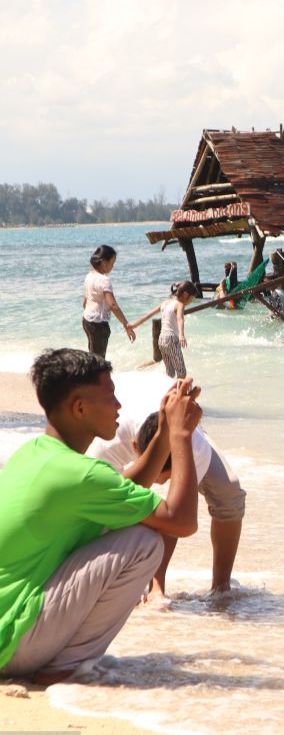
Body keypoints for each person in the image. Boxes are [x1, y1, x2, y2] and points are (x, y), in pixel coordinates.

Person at [0, 349, 201, 685]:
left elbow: (121, 492)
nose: (119, 406)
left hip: (7, 626)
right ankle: (65, 665)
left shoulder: (36, 453)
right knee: (145, 541)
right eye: (110, 397)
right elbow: (182, 521)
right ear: (80, 408)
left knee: (124, 520)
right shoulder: (81, 476)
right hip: (13, 644)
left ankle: (57, 655)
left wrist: (164, 433)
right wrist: (182, 436)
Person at [86, 372, 246, 602]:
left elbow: (176, 516)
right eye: (158, 476)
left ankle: (221, 589)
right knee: (109, 501)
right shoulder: (110, 441)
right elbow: (98, 502)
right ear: (134, 447)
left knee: (229, 491)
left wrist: (157, 589)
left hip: (178, 418)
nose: (158, 483)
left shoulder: (195, 449)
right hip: (133, 398)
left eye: (166, 476)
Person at [130, 282, 198, 378]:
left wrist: (134, 324)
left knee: (170, 373)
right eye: (191, 299)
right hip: (171, 339)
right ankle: (179, 392)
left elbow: (149, 314)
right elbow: (180, 319)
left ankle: (169, 391)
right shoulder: (180, 304)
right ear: (186, 295)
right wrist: (181, 335)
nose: (190, 302)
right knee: (181, 373)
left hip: (161, 340)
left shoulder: (165, 303)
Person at [81, 245, 136, 358]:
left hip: (87, 320)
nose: (113, 266)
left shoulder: (89, 276)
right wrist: (125, 324)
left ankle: (90, 375)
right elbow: (112, 305)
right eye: (112, 262)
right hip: (98, 322)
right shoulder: (104, 280)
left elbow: (85, 301)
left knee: (93, 355)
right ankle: (93, 376)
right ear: (104, 262)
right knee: (99, 359)